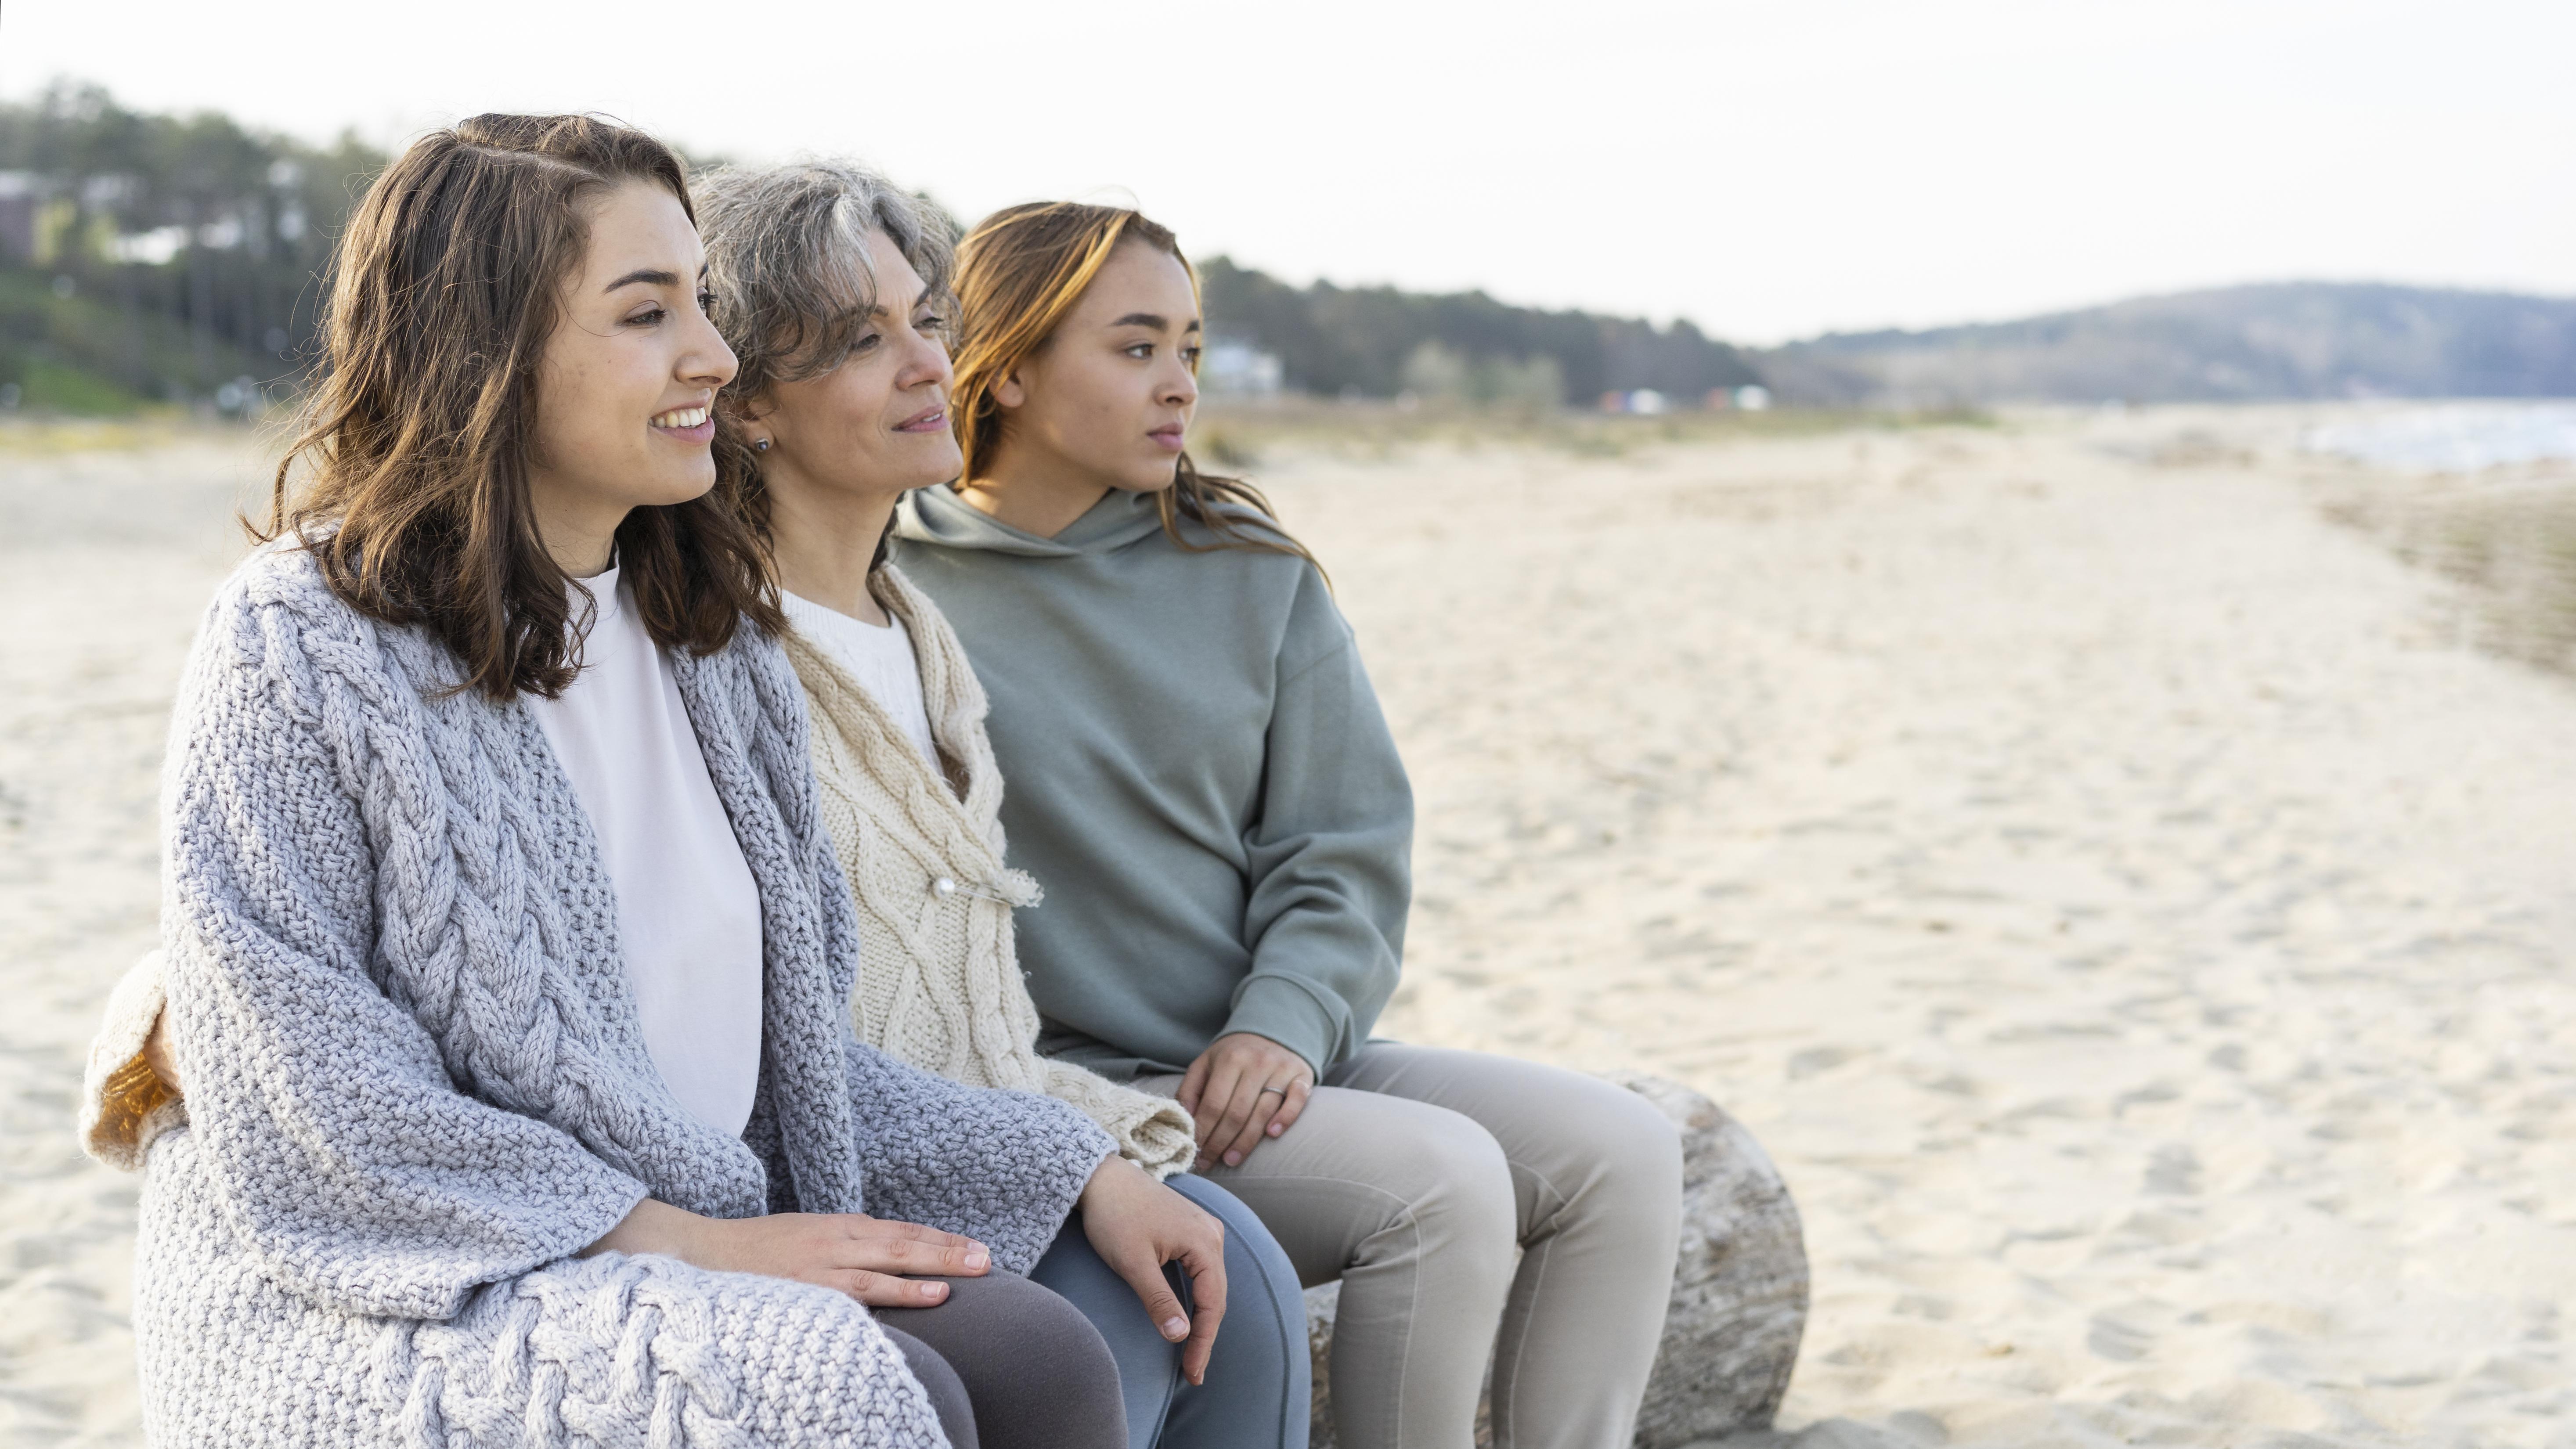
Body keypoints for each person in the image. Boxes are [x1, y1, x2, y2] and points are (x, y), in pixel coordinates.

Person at [76, 116, 1189, 1449]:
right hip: (416, 1279)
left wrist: (1078, 1165)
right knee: (866, 1389)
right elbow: (317, 1100)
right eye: (647, 312)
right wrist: (679, 1241)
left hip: (687, 1212)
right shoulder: (303, 643)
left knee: (1046, 1360)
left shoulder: (713, 640)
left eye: (704, 303)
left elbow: (796, 1067)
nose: (712, 357)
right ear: (484, 349)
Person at [889, 202, 1688, 1449]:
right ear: (1010, 369)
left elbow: (1341, 850)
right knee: (1441, 1183)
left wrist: (1283, 1025)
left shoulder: (1247, 565)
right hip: (1082, 1089)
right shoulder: (888, 582)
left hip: (1264, 1063)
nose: (1180, 386)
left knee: (1623, 1150)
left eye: (1192, 350)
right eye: (1137, 347)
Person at [688, 158, 1307, 1449]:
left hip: (1002, 1126)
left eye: (925, 319)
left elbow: (977, 1022)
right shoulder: (709, 657)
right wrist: (1066, 1165)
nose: (928, 363)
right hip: (850, 1181)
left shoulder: (915, 629)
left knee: (1239, 1274)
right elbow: (769, 1052)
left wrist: (1082, 1146)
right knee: (1123, 1338)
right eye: (864, 340)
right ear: (745, 402)